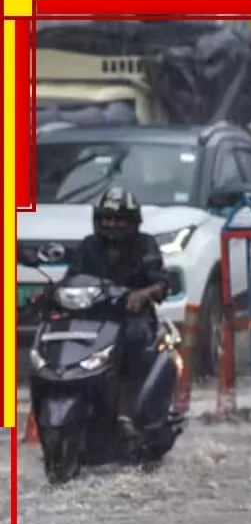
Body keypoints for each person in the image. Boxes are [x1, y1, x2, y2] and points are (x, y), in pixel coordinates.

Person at [64, 187, 169, 439]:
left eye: (119, 219)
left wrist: (141, 295)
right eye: (107, 218)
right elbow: (71, 278)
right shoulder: (88, 245)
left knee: (132, 341)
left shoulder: (145, 244)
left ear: (132, 222)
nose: (112, 224)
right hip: (91, 317)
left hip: (132, 318)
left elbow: (162, 283)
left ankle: (127, 412)